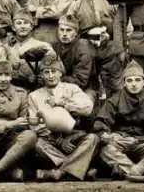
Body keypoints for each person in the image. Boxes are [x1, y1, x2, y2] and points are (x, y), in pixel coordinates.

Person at [28, 54, 98, 182]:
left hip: (74, 136)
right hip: (50, 139)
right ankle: (78, 169)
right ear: (42, 75)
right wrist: (58, 140)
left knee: (92, 138)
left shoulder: (72, 89)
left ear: (60, 73)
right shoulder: (34, 96)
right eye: (46, 72)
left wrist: (64, 104)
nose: (50, 75)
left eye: (54, 71)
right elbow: (35, 125)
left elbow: (87, 108)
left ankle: (59, 171)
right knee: (36, 144)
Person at [68, 0, 123, 99]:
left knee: (114, 81)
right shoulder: (76, 5)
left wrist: (120, 46)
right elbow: (70, 27)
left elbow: (123, 26)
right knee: (87, 80)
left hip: (108, 44)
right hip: (86, 45)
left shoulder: (111, 3)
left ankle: (115, 106)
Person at [6, 9, 55, 90]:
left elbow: (53, 69)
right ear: (13, 27)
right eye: (19, 23)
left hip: (36, 89)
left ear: (31, 26)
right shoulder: (7, 47)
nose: (22, 26)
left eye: (26, 23)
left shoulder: (43, 46)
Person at [52, 15, 96, 101]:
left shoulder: (83, 47)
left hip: (85, 88)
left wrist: (57, 79)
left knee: (80, 105)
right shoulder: (55, 47)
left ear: (76, 33)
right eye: (61, 30)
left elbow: (81, 81)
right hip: (59, 84)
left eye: (69, 30)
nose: (64, 34)